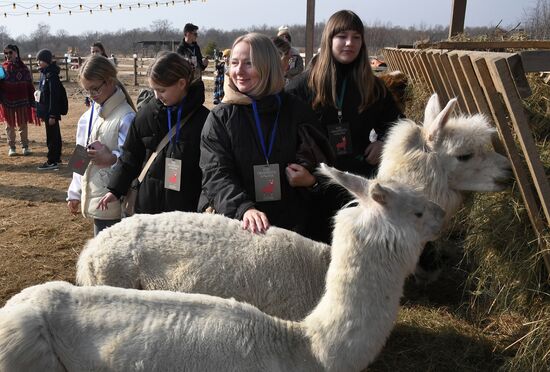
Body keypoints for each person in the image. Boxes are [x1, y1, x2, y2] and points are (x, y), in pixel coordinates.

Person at [286, 9, 403, 243]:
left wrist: (384, 143)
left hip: (358, 188)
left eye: (356, 37)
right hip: (314, 187)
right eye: (342, 36)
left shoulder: (373, 87)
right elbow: (283, 135)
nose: (349, 43)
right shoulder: (301, 87)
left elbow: (399, 126)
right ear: (329, 39)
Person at [199, 33, 332, 235]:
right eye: (234, 63)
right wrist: (244, 208)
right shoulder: (220, 117)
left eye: (249, 63)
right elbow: (216, 174)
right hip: (240, 228)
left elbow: (323, 161)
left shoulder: (296, 110)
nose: (238, 71)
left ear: (268, 65)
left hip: (293, 229)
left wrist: (311, 179)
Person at [98, 52, 210, 214]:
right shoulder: (146, 115)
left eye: (162, 90)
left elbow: (210, 170)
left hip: (186, 211)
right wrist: (115, 189)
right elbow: (130, 155)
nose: (157, 96)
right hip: (147, 207)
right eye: (154, 90)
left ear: (181, 83)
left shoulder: (204, 121)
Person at [66, 55, 136, 236]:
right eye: (87, 91)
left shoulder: (126, 117)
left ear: (110, 81)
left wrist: (111, 158)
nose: (91, 96)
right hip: (96, 196)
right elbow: (80, 153)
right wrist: (74, 191)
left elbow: (132, 159)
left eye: (95, 89)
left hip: (114, 199)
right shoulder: (88, 116)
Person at [0, 44, 39, 156]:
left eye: (10, 53)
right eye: (6, 53)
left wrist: (32, 99)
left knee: (23, 124)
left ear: (16, 53)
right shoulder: (2, 68)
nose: (8, 55)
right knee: (9, 125)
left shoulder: (24, 68)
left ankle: (25, 146)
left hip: (22, 100)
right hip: (7, 101)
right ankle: (12, 147)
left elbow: (29, 84)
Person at [35, 49, 64, 170]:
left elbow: (54, 96)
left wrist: (52, 115)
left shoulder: (51, 76)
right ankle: (56, 158)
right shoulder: (44, 74)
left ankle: (52, 160)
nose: (38, 63)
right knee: (53, 135)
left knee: (52, 137)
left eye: (40, 60)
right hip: (46, 111)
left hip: (51, 112)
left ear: (46, 61)